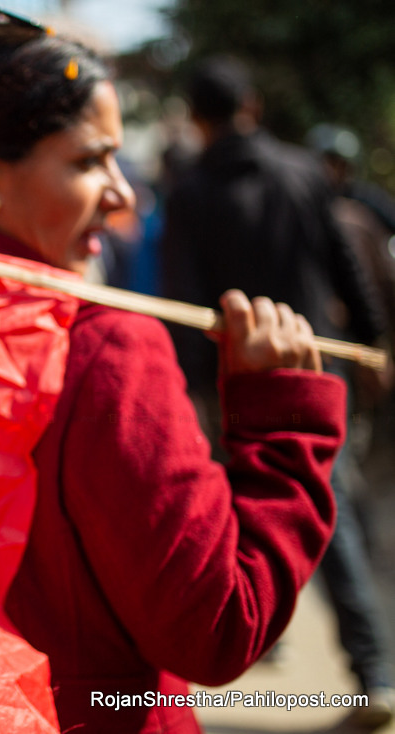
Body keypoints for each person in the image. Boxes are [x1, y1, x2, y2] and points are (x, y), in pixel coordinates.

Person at [0, 14, 345, 733]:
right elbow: (218, 624)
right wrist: (284, 422)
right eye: (91, 162)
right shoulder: (99, 349)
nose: (125, 196)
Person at [161, 57, 394, 728]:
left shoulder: (190, 192)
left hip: (236, 378)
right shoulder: (304, 173)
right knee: (330, 502)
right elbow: (344, 266)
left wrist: (197, 389)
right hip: (321, 365)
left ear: (200, 121)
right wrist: (374, 344)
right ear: (253, 107)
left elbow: (183, 298)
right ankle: (370, 669)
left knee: (243, 505)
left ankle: (273, 631)